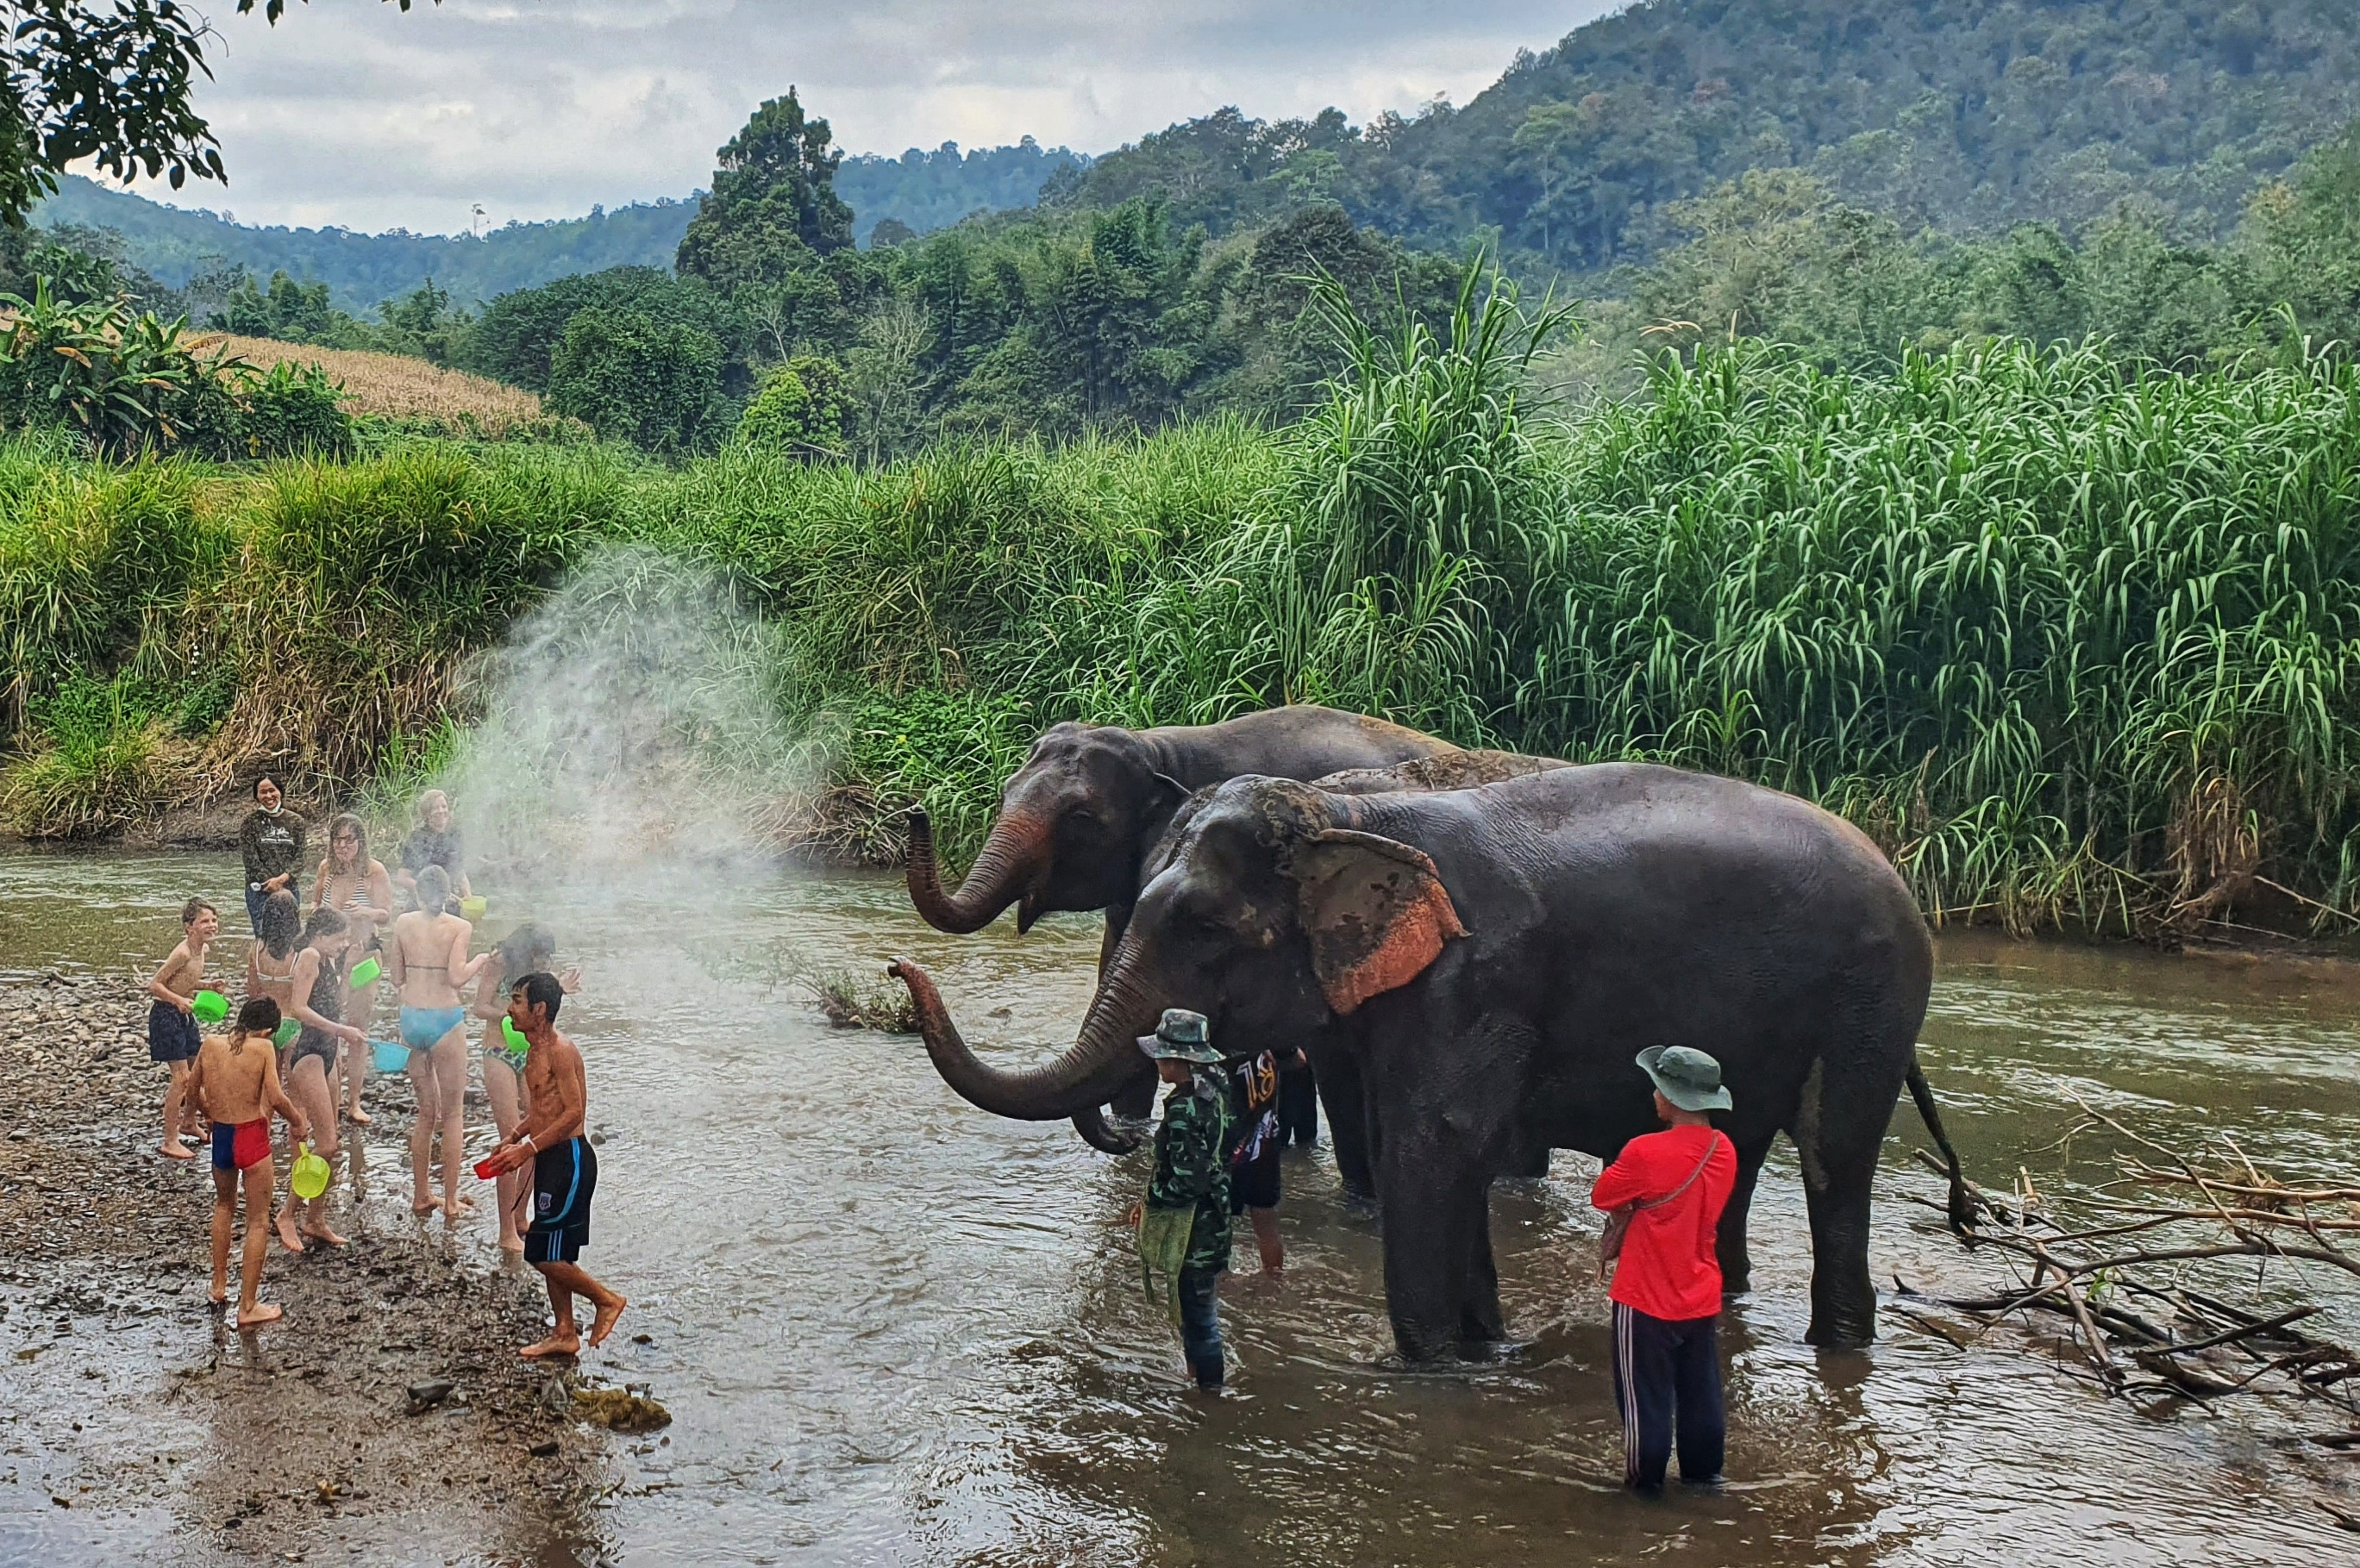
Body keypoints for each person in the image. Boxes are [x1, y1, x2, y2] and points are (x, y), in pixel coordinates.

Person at [1591, 1046, 1739, 1494]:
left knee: (1644, 1404)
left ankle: (1644, 1495)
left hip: (1645, 1298)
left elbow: (1603, 1195)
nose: (1653, 1094)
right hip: (1700, 1294)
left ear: (1672, 1097)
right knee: (1700, 1396)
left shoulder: (1644, 1151)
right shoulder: (1724, 1149)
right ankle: (1704, 1485)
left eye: (1658, 1086)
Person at [481, 971, 627, 1359]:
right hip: (549, 1155)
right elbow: (546, 1110)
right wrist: (514, 1136)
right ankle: (565, 1331)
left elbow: (574, 1112)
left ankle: (607, 1300)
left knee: (542, 1252)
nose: (510, 1010)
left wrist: (526, 1150)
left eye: (516, 1001)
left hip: (571, 1160)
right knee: (554, 1249)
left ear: (539, 1010)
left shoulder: (561, 1050)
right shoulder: (532, 1050)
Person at [187, 997, 308, 1327]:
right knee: (257, 1222)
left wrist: (198, 1116)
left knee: (224, 1205)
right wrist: (297, 1122)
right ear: (267, 1030)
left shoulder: (211, 1044)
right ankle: (248, 1306)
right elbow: (276, 1095)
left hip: (223, 1138)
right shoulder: (263, 1048)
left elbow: (191, 1084)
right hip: (251, 1137)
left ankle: (218, 1285)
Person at [1130, 1009, 1233, 1392]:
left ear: (1177, 1060)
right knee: (1198, 1312)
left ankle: (1209, 1397)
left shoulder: (1181, 1110)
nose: (1156, 1062)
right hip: (1218, 1221)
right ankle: (1198, 1380)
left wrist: (1152, 1202)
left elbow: (1190, 1180)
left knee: (1200, 1318)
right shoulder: (1216, 1089)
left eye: (1162, 1055)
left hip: (1195, 1235)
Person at [386, 865, 488, 1220]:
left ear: (417, 893)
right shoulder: (461, 927)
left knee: (426, 1112)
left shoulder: (402, 923)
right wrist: (481, 959)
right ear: (449, 895)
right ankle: (449, 1200)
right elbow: (456, 977)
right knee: (454, 1111)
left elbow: (395, 975)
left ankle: (420, 1195)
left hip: (412, 1017)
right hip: (445, 1018)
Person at [471, 923, 580, 1253]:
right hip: (499, 1053)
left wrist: (557, 989)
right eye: (540, 956)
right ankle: (506, 1232)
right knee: (509, 1140)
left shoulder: (537, 976)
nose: (544, 963)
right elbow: (479, 1007)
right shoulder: (498, 963)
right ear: (525, 951)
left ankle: (520, 1216)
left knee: (536, 1135)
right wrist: (510, 1012)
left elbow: (543, 1005)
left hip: (531, 1054)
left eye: (547, 959)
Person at [272, 907, 364, 1253]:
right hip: (309, 1054)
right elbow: (298, 1008)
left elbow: (331, 1004)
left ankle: (316, 1219)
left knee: (331, 1141)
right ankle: (287, 1214)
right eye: (340, 938)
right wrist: (341, 1030)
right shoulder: (309, 955)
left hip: (327, 1053)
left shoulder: (327, 961)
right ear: (321, 934)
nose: (343, 943)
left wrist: (349, 964)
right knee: (325, 1144)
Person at [312, 812, 392, 1126]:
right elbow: (315, 905)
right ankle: (330, 1097)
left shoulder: (374, 871)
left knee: (358, 1028)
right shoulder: (326, 868)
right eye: (338, 839)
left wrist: (366, 911)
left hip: (365, 956)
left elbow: (386, 914)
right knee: (329, 1023)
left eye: (349, 840)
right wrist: (321, 913)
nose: (343, 846)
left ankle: (354, 1101)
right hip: (332, 955)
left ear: (361, 841)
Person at [146, 896, 217, 1160]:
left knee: (197, 1072)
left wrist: (208, 986)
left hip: (184, 1015)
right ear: (189, 927)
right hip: (166, 1015)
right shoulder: (183, 952)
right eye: (204, 921)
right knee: (181, 1078)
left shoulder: (202, 951)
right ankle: (169, 1140)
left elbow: (184, 981)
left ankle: (189, 1123)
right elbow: (154, 985)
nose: (211, 925)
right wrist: (178, 1001)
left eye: (213, 920)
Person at [1223, 1042, 1294, 1283]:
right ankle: (1274, 1282)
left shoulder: (1223, 1060)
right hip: (1266, 1149)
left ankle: (1225, 1288)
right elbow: (1301, 1059)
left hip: (1233, 1156)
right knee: (1266, 1225)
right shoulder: (1267, 1047)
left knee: (1218, 1226)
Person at [236, 773, 306, 934]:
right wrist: (271, 883)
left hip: (289, 888)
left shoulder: (296, 821)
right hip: (260, 890)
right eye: (263, 792)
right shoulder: (250, 823)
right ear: (257, 796)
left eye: (272, 790)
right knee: (263, 937)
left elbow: (301, 857)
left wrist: (282, 880)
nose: (268, 796)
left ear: (280, 792)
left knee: (290, 936)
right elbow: (250, 860)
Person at [393, 789, 469, 907]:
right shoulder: (416, 838)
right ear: (426, 813)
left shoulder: (454, 834)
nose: (441, 811)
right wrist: (430, 892)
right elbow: (402, 878)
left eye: (444, 806)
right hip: (421, 901)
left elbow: (459, 871)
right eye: (435, 808)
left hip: (451, 899)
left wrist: (468, 896)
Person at [244, 890, 303, 1031]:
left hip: (265, 1025)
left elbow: (252, 992)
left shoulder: (257, 949)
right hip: (291, 1024)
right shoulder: (301, 952)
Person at [1275, 1053, 1319, 1149]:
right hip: (1286, 1060)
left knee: (1307, 1137)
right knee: (1281, 1132)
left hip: (1301, 1063)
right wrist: (1292, 1050)